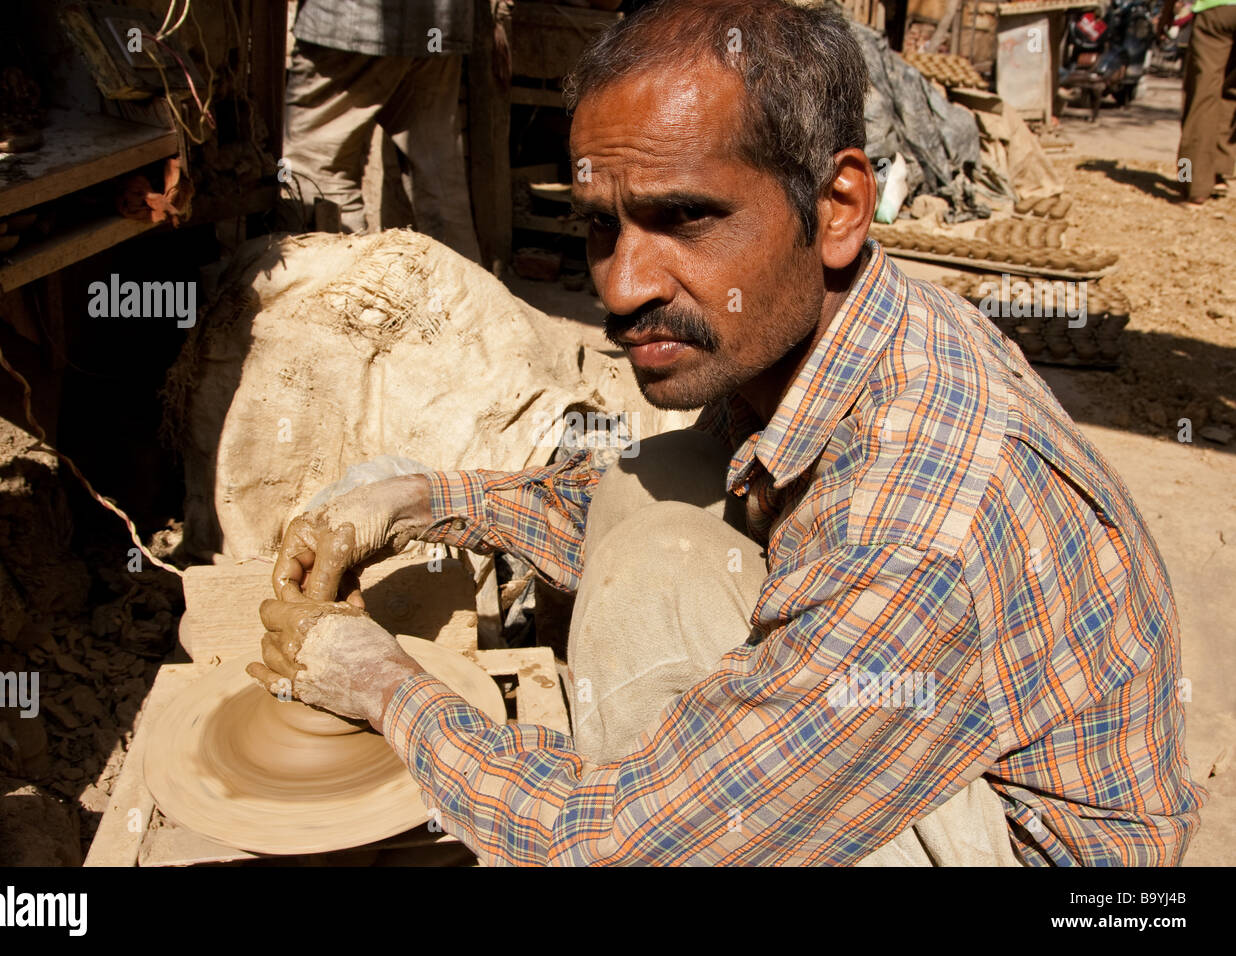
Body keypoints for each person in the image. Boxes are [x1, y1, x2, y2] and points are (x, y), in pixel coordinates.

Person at [248, 0, 1203, 866]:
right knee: (658, 475)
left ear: (837, 208)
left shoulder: (919, 523)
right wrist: (420, 500)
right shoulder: (817, 330)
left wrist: (384, 687)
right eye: (601, 229)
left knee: (655, 579)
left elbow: (620, 843)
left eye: (685, 218)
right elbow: (623, 492)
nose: (622, 288)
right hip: (935, 730)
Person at [283, 0, 482, 257]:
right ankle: (463, 294)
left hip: (351, 23)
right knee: (438, 171)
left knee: (316, 166)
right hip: (438, 28)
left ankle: (344, 291)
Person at [1160, 0, 1236, 203]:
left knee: (1201, 98)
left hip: (1215, 11)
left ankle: (1191, 181)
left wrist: (1167, 13)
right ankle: (1219, 173)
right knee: (1230, 93)